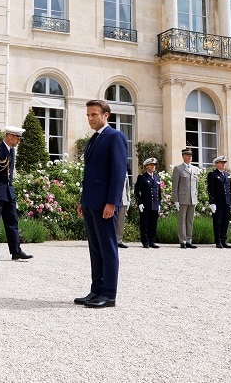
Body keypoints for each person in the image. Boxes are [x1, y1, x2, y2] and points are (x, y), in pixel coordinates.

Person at [73, 100, 127, 309]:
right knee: (95, 249)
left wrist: (112, 203)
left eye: (94, 114)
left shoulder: (115, 137)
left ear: (106, 115)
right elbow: (91, 174)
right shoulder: (93, 139)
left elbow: (118, 173)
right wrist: (83, 201)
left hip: (105, 204)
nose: (90, 118)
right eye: (88, 115)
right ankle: (96, 290)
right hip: (91, 203)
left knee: (108, 249)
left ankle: (109, 294)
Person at [0, 126, 32, 263]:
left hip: (8, 192)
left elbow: (9, 174)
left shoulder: (11, 150)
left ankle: (16, 251)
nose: (19, 141)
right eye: (17, 138)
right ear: (10, 136)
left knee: (12, 222)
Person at [172, 146, 199, 249]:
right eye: (188, 155)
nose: (190, 157)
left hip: (192, 198)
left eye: (191, 155)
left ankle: (189, 240)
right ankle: (182, 241)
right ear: (183, 156)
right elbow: (175, 186)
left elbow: (195, 185)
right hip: (182, 199)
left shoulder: (195, 169)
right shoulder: (178, 169)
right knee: (181, 220)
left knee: (190, 220)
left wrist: (196, 197)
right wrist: (176, 200)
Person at [207, 155, 231, 248]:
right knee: (217, 222)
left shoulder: (227, 175)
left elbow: (230, 190)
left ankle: (224, 240)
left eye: (224, 163)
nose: (223, 164)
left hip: (226, 202)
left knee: (225, 222)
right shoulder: (213, 175)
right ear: (216, 164)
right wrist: (212, 202)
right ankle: (218, 241)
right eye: (221, 163)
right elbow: (211, 190)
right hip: (218, 203)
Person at [134, 158, 161, 248]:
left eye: (154, 165)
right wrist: (139, 203)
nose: (153, 167)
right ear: (147, 166)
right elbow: (137, 191)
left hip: (154, 204)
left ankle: (152, 241)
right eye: (151, 165)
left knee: (153, 224)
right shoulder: (142, 177)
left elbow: (159, 192)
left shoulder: (156, 177)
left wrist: (159, 203)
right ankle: (145, 241)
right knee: (145, 224)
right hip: (146, 204)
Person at [116, 175, 130, 248]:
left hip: (123, 201)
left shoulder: (126, 174)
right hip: (114, 200)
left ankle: (119, 240)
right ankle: (110, 240)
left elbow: (127, 189)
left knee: (121, 222)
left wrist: (128, 201)